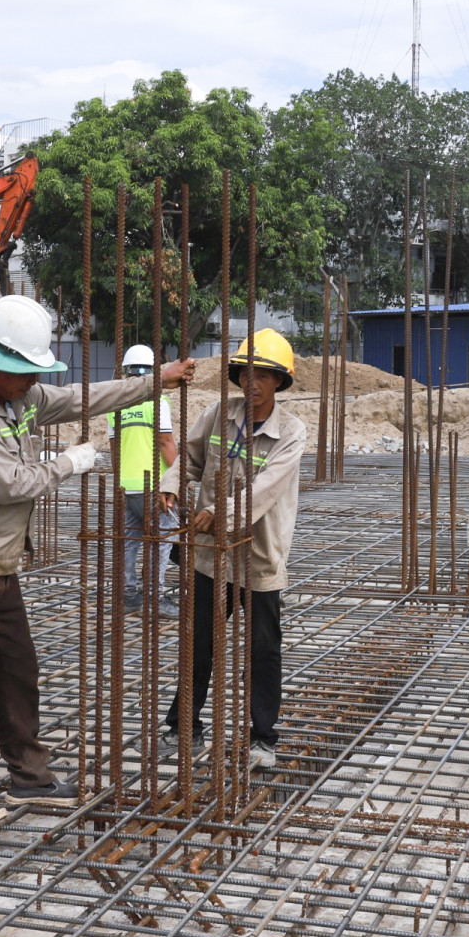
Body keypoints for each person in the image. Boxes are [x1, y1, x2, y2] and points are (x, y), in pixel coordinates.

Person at [0, 293, 195, 830]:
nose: (30, 382)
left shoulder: (17, 398)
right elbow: (9, 485)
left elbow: (81, 399)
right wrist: (71, 461)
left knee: (17, 672)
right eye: (22, 371)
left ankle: (29, 775)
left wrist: (152, 381)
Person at [160, 328, 306, 774]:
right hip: (210, 554)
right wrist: (170, 485)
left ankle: (262, 737)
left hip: (259, 557)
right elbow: (188, 457)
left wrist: (216, 511)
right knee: (198, 642)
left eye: (264, 375)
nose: (253, 383)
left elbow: (262, 492)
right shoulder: (220, 413)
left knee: (263, 650)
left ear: (279, 382)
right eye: (246, 373)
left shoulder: (292, 433)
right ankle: (183, 724)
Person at [106, 343, 179, 614]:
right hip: (155, 487)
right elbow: (165, 442)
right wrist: (182, 476)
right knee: (161, 540)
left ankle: (126, 596)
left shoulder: (116, 404)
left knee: (129, 542)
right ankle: (154, 599)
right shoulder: (157, 401)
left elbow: (115, 450)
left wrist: (123, 480)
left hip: (127, 486)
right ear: (153, 371)